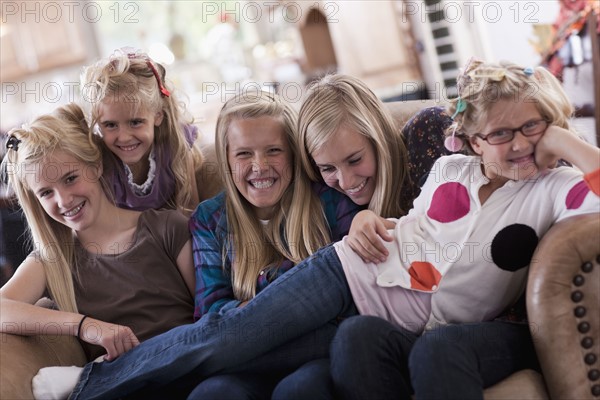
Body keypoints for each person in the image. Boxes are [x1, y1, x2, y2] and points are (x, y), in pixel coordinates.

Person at [40, 59, 600, 400]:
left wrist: (566, 143)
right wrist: (362, 219)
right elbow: (418, 208)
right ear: (474, 140)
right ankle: (91, 386)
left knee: (248, 352)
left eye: (531, 129)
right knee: (230, 336)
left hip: (381, 314)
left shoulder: (557, 189)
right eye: (500, 134)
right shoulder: (452, 165)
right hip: (350, 270)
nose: (519, 144)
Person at [0, 103, 196, 399]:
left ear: (96, 166)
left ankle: (90, 381)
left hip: (194, 369)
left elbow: (210, 316)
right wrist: (85, 327)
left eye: (70, 179)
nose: (64, 200)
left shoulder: (167, 227)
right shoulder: (53, 259)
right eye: (46, 192)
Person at [187, 91, 360, 399]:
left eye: (273, 150)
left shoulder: (330, 201)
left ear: (293, 153)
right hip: (245, 362)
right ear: (226, 160)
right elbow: (210, 313)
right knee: (211, 393)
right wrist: (299, 301)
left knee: (299, 390)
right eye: (243, 154)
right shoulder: (210, 219)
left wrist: (252, 307)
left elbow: (354, 294)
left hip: (314, 355)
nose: (260, 165)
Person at [81, 48, 203, 214]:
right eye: (110, 125)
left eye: (135, 122)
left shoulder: (176, 145)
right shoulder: (100, 164)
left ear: (158, 115)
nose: (123, 137)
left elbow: (192, 213)